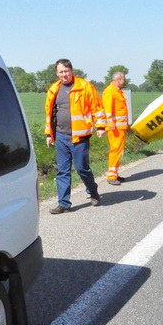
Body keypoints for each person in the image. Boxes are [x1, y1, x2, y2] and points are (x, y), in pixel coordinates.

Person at [45, 59, 107, 213]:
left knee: (81, 168)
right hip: (61, 136)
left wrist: (100, 126)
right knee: (62, 171)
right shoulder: (54, 89)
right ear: (57, 73)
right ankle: (63, 203)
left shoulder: (85, 86)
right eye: (61, 72)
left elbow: (97, 107)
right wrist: (49, 134)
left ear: (72, 71)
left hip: (80, 137)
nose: (64, 74)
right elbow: (50, 114)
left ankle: (93, 191)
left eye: (66, 71)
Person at [102, 71, 129, 185]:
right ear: (118, 80)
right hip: (115, 128)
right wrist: (110, 122)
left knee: (118, 150)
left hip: (120, 127)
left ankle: (115, 174)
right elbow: (107, 108)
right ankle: (111, 176)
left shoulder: (118, 91)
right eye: (123, 79)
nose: (124, 81)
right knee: (115, 150)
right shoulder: (110, 90)